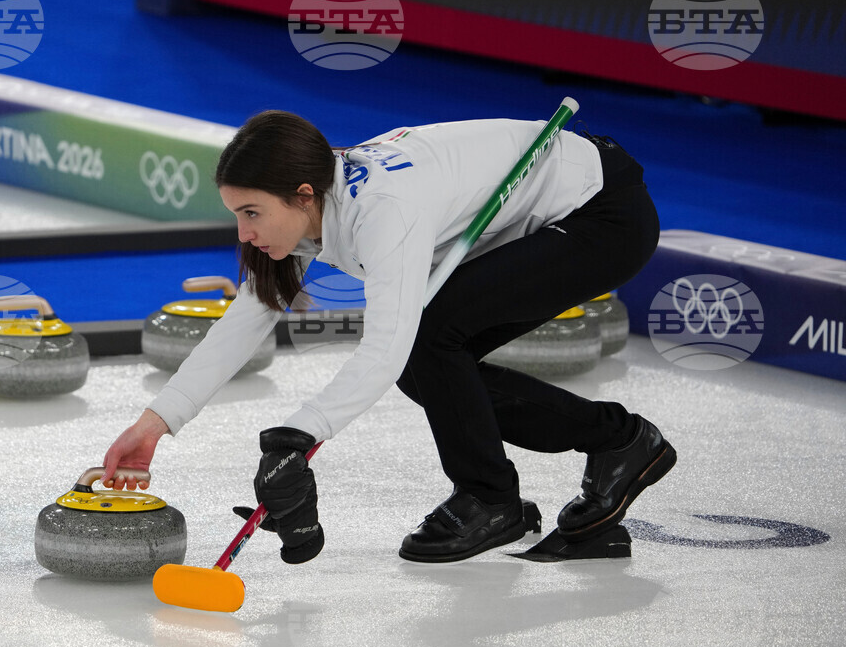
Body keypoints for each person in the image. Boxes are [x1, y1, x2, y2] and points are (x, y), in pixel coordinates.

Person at [100, 109, 676, 564]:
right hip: (555, 211)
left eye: (251, 213)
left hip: (602, 214)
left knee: (427, 343)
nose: (246, 234)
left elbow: (385, 344)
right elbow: (246, 320)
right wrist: (154, 424)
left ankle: (492, 498)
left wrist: (296, 438)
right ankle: (618, 444)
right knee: (430, 362)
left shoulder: (382, 212)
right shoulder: (313, 201)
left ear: (302, 195)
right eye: (237, 216)